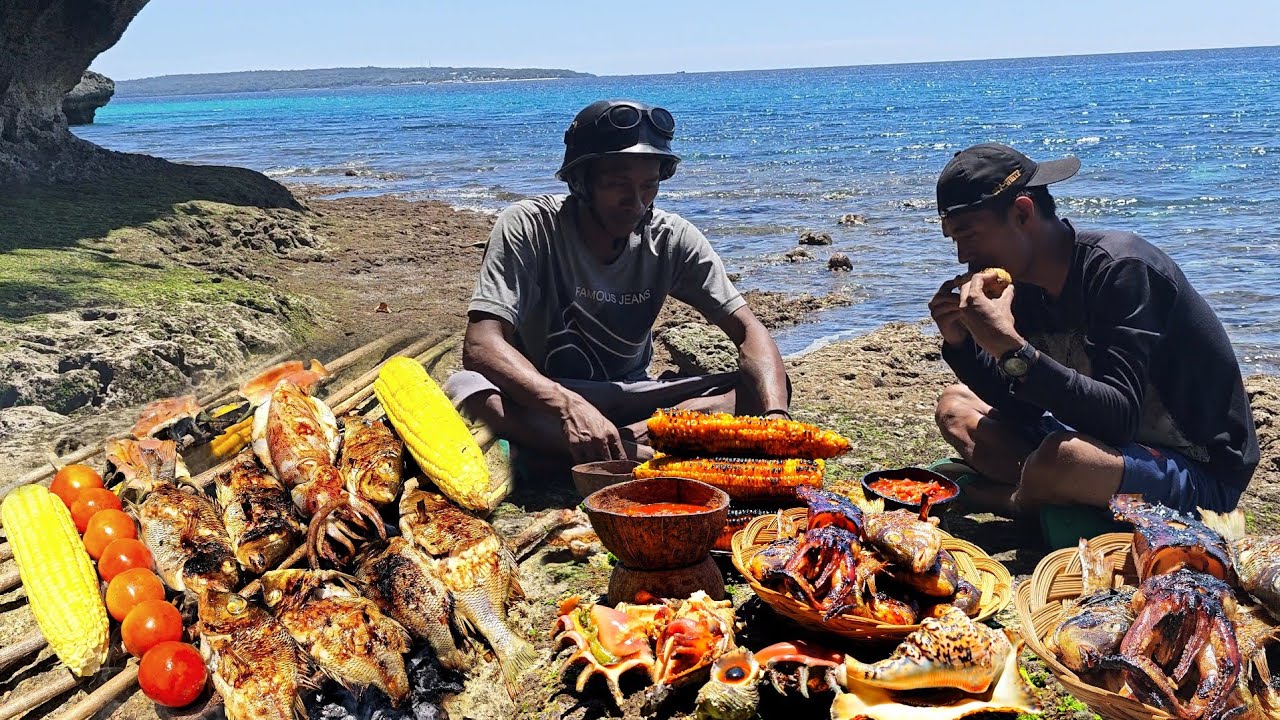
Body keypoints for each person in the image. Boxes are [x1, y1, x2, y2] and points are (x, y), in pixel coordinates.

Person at [445, 100, 790, 478]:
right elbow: (481, 345)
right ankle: (639, 455)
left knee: (765, 383)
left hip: (631, 397)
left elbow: (749, 331)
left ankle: (626, 445)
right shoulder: (530, 226)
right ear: (581, 182)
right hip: (545, 395)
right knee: (470, 390)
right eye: (617, 185)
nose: (637, 203)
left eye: (649, 186)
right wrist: (568, 406)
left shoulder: (672, 239)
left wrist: (777, 420)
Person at [928, 142, 1258, 517]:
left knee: (1064, 458)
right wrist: (962, 344)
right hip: (1106, 442)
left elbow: (1118, 418)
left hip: (1199, 470)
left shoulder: (1122, 270)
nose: (962, 257)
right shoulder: (1022, 284)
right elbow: (1026, 407)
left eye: (968, 236)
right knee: (956, 406)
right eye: (955, 240)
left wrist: (1009, 347)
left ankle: (1016, 501)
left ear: (1022, 212)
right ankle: (1045, 488)